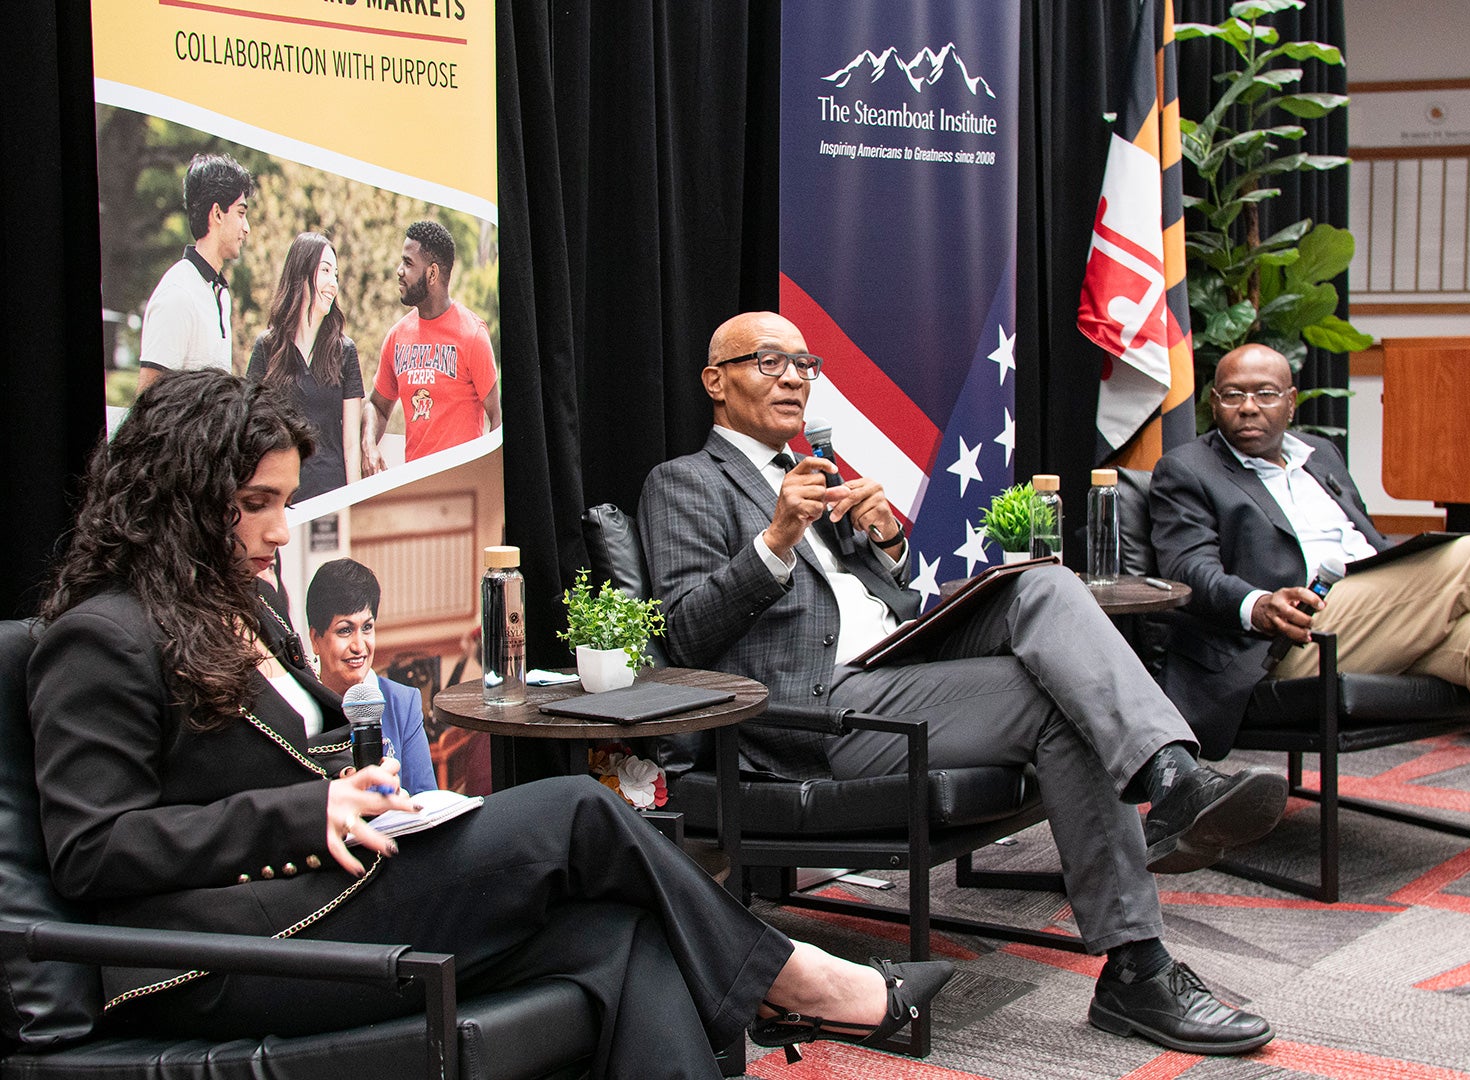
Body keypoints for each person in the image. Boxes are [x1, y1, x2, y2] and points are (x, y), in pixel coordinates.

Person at [29, 369, 951, 1076]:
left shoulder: (244, 609)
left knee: (618, 937)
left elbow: (281, 755)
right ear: (181, 498)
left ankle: (789, 987)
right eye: (253, 505)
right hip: (214, 956)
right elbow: (90, 851)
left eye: (283, 500)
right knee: (576, 812)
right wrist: (306, 814)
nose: (279, 529)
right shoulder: (100, 637)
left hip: (325, 898)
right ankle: (800, 981)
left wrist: (364, 794)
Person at [638, 311, 1289, 1055]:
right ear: (715, 381)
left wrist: (886, 542)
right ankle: (1139, 962)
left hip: (895, 666)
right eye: (768, 361)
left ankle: (1171, 774)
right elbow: (685, 635)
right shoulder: (684, 483)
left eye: (805, 363)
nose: (794, 378)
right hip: (813, 711)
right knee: (1061, 703)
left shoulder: (817, 473)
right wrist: (776, 538)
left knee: (1043, 584)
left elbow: (894, 603)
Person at [1149, 342, 1470, 917]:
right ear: (1213, 402)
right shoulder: (1187, 469)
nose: (1249, 407)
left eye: (1265, 393)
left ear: (1291, 402)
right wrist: (1259, 603)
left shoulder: (1320, 454)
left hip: (1368, 618)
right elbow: (1186, 568)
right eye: (1233, 395)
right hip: (1287, 638)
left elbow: (1367, 544)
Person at [361, 221, 500, 475]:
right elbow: (377, 406)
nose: (399, 271)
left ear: (432, 273)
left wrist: (486, 479)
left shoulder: (472, 335)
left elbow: (497, 417)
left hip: (463, 485)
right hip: (418, 487)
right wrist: (369, 444)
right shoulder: (396, 337)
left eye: (408, 263)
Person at [246, 233, 363, 501]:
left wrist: (355, 501)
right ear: (301, 273)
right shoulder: (266, 347)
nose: (333, 284)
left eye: (336, 275)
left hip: (330, 493)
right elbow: (250, 428)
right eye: (325, 271)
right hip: (280, 494)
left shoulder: (345, 351)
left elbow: (351, 445)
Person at [305, 557, 435, 795]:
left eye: (367, 628)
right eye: (345, 630)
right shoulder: (299, 711)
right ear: (315, 639)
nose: (359, 646)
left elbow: (426, 800)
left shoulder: (402, 702)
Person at [137, 153, 254, 393]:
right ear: (217, 213)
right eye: (241, 213)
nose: (247, 228)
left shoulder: (220, 294)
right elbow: (147, 403)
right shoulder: (178, 294)